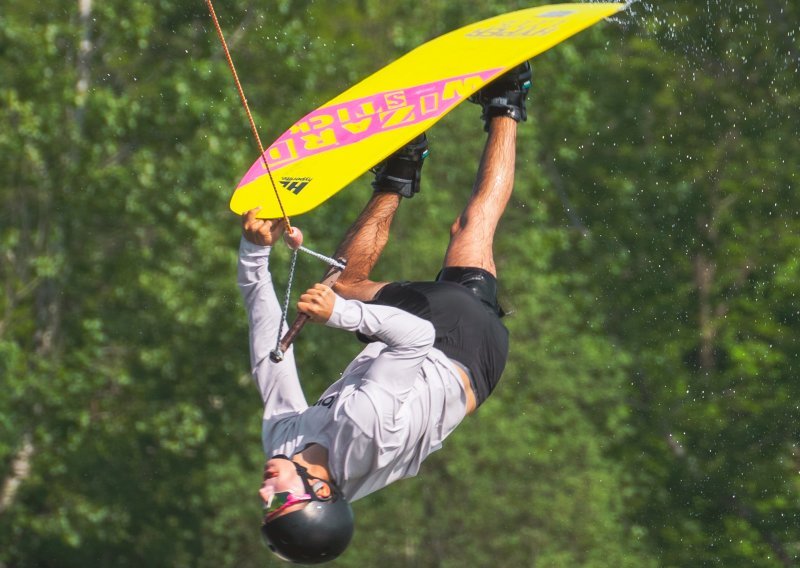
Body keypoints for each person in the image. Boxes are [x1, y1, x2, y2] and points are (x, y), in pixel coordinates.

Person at [237, 62, 532, 564]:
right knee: (343, 289)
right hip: (457, 347)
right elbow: (414, 337)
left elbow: (272, 353)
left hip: (458, 363)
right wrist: (339, 314)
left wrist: (253, 254)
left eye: (266, 507)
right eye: (280, 503)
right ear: (322, 492)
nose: (265, 494)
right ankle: (398, 173)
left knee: (470, 226)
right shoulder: (365, 433)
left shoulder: (282, 442)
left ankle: (507, 99)